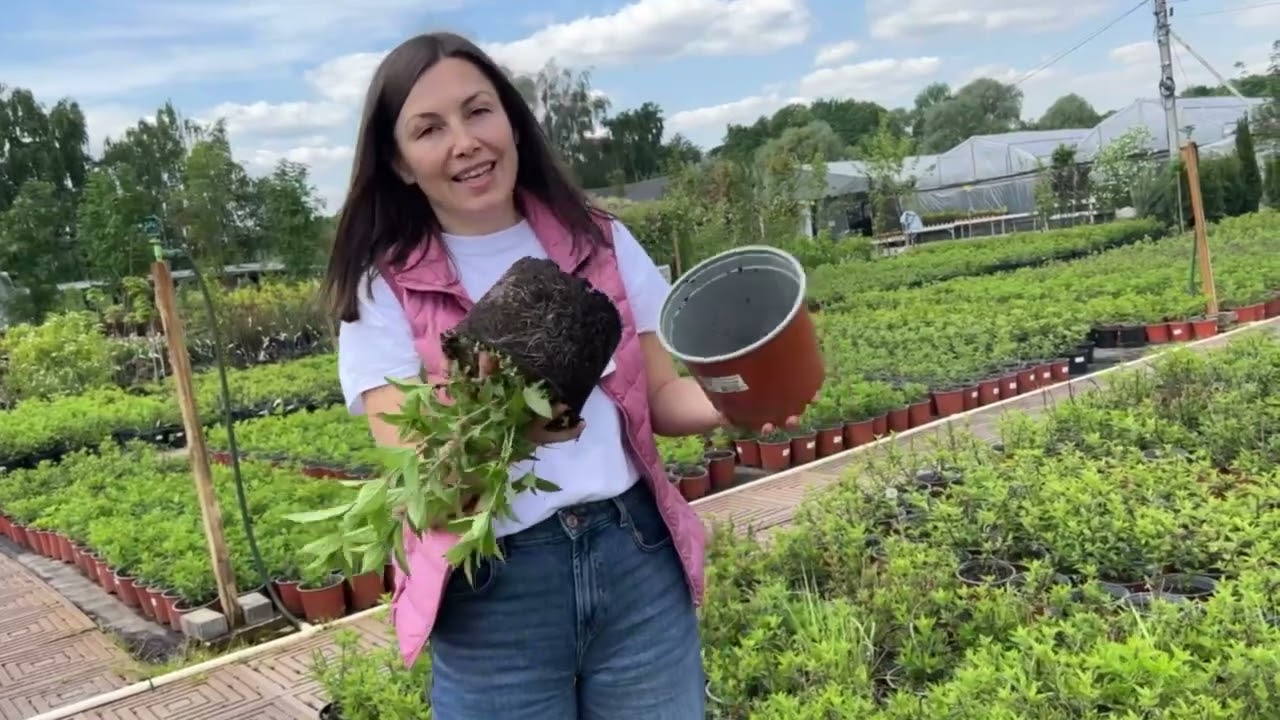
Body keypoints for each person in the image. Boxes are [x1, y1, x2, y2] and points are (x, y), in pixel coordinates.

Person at [322, 31, 809, 720]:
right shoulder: (384, 291)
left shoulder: (600, 239)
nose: (465, 141)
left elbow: (660, 397)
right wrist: (510, 428)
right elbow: (424, 489)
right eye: (429, 129)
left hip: (634, 556)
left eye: (478, 111)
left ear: (512, 122)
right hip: (494, 594)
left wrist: (740, 397)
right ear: (399, 162)